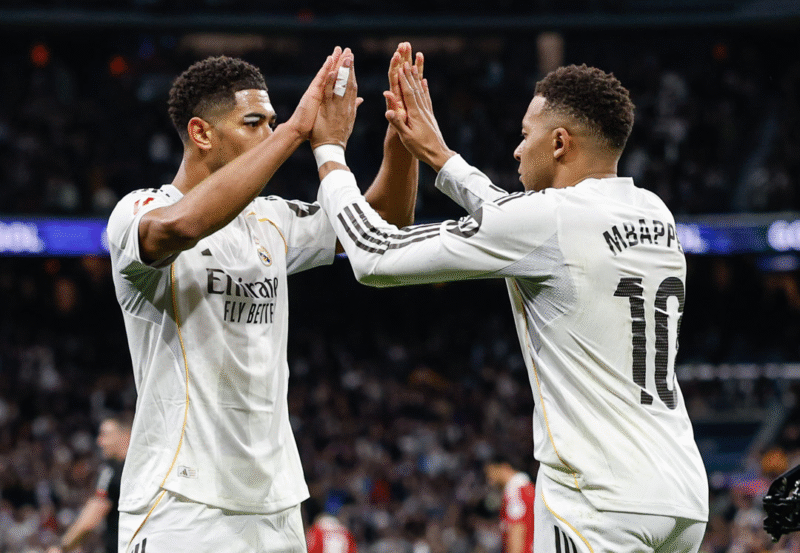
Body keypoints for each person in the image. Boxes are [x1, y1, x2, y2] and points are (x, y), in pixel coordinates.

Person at [312, 58, 710, 552]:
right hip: (682, 495)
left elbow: (375, 257)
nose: (518, 149)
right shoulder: (654, 212)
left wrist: (328, 151)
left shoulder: (550, 221)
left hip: (598, 501)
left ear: (560, 143)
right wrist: (441, 157)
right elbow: (522, 221)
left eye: (526, 135)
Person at [106, 44, 421, 553]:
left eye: (275, 122)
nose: (273, 134)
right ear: (201, 133)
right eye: (255, 123)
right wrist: (301, 130)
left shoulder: (273, 219)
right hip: (181, 503)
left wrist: (400, 138)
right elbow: (182, 225)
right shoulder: (141, 210)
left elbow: (381, 225)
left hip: (275, 506)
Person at [48, 415, 131, 553]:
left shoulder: (111, 469)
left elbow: (95, 510)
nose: (100, 441)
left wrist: (61, 547)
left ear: (126, 435)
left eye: (105, 435)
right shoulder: (150, 466)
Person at [484, 456, 535, 553]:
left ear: (504, 467)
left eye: (490, 473)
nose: (489, 480)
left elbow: (517, 528)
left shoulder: (515, 490)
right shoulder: (526, 487)